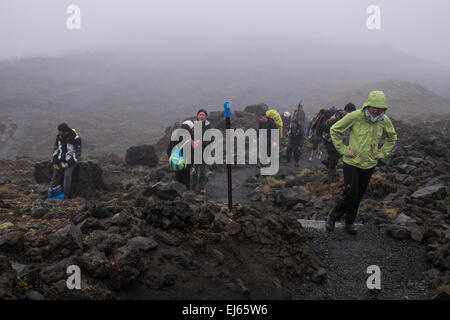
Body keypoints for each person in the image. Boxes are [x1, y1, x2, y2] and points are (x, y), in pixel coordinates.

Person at [325, 91, 397, 235]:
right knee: (350, 193)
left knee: (358, 196)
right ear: (368, 105)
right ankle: (333, 216)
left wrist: (381, 153)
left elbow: (392, 138)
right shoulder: (356, 116)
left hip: (369, 164)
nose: (376, 110)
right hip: (352, 162)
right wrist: (344, 150)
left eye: (379, 107)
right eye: (373, 107)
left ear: (383, 108)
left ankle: (349, 222)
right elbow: (335, 130)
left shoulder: (384, 120)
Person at [321, 103, 356, 178]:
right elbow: (331, 129)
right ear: (348, 111)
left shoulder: (340, 114)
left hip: (329, 138)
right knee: (336, 154)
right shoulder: (337, 117)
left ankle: (327, 162)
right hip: (329, 138)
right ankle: (331, 171)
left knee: (335, 154)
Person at [48, 123, 82, 199]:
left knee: (67, 176)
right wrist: (55, 162)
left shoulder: (76, 138)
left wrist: (69, 163)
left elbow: (78, 153)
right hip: (60, 160)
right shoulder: (59, 137)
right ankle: (50, 195)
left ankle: (66, 196)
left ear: (65, 131)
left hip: (71, 160)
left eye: (59, 131)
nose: (58, 132)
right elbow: (56, 149)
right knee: (55, 176)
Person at [167, 120, 195, 190]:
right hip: (185, 165)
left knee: (179, 181)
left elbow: (169, 149)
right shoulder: (187, 137)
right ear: (189, 128)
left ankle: (179, 196)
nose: (194, 130)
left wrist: (172, 159)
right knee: (185, 183)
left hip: (176, 163)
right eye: (193, 128)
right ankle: (185, 196)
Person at [192, 109, 211, 193]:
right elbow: (189, 137)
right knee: (194, 169)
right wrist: (193, 142)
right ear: (197, 116)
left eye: (203, 115)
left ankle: (202, 187)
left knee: (203, 170)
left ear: (206, 117)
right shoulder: (193, 126)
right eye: (200, 114)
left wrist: (202, 142)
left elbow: (211, 138)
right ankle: (193, 186)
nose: (201, 116)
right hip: (195, 151)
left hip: (204, 151)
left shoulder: (208, 126)